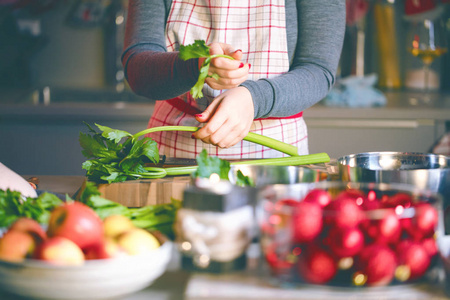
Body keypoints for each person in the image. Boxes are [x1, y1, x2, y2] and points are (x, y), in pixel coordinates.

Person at [122, 0, 345, 159]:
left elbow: (318, 70)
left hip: (275, 157)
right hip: (171, 155)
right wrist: (195, 66)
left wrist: (254, 98)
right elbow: (137, 69)